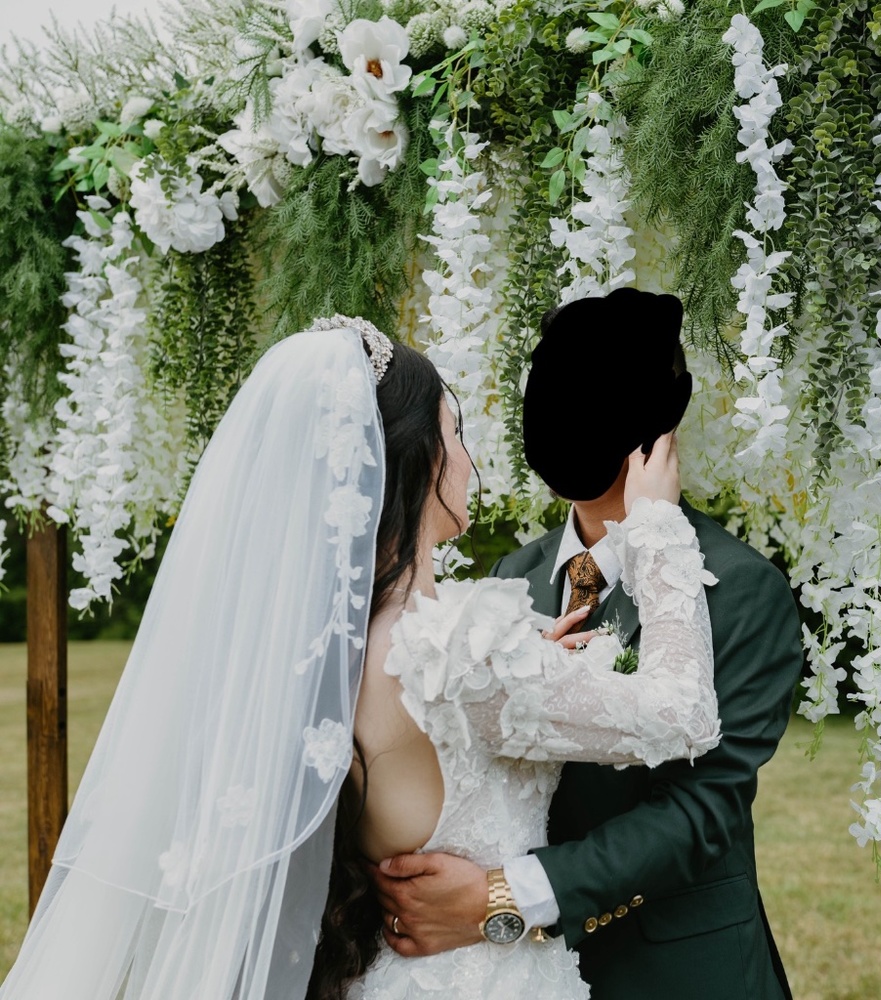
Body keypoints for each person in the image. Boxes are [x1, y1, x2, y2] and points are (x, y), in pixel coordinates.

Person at [0, 314, 720, 1000]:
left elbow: (440, 721)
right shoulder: (457, 651)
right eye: (457, 433)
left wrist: (530, 659)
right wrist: (657, 526)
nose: (471, 460)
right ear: (412, 460)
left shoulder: (330, 646)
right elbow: (681, 713)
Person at [371, 289, 803, 1000]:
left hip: (672, 970)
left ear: (658, 425)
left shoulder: (737, 586)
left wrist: (501, 899)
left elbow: (701, 810)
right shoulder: (511, 579)